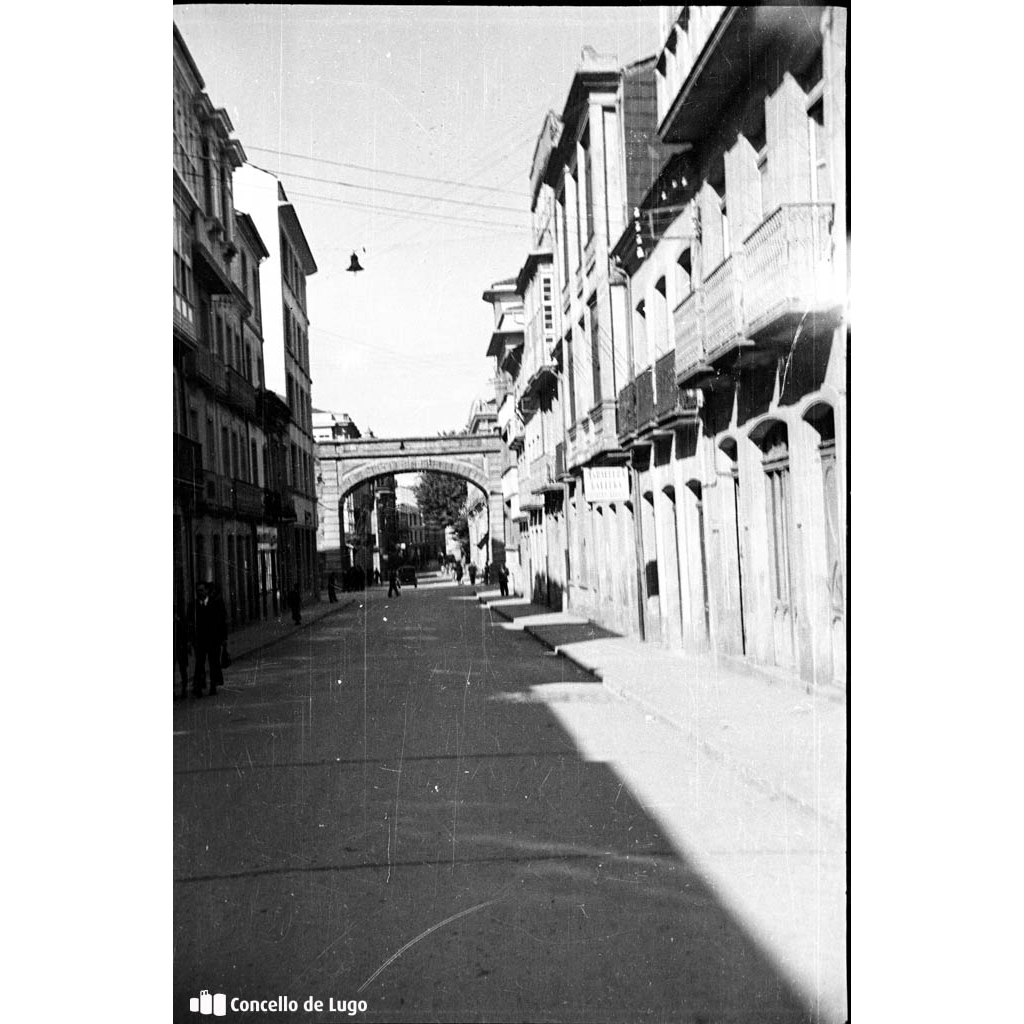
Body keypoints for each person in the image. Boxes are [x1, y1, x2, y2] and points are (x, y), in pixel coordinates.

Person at [187, 582, 227, 698]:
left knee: (214, 663)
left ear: (207, 591)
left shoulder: (215, 604)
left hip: (213, 639)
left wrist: (224, 639)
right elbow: (189, 624)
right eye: (198, 591)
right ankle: (199, 687)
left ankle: (213, 686)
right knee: (199, 664)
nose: (200, 593)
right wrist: (189, 641)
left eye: (202, 590)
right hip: (199, 641)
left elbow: (221, 621)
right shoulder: (193, 606)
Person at [173, 609, 189, 700]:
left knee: (183, 669)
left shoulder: (179, 624)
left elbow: (184, 636)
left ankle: (184, 689)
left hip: (181, 650)